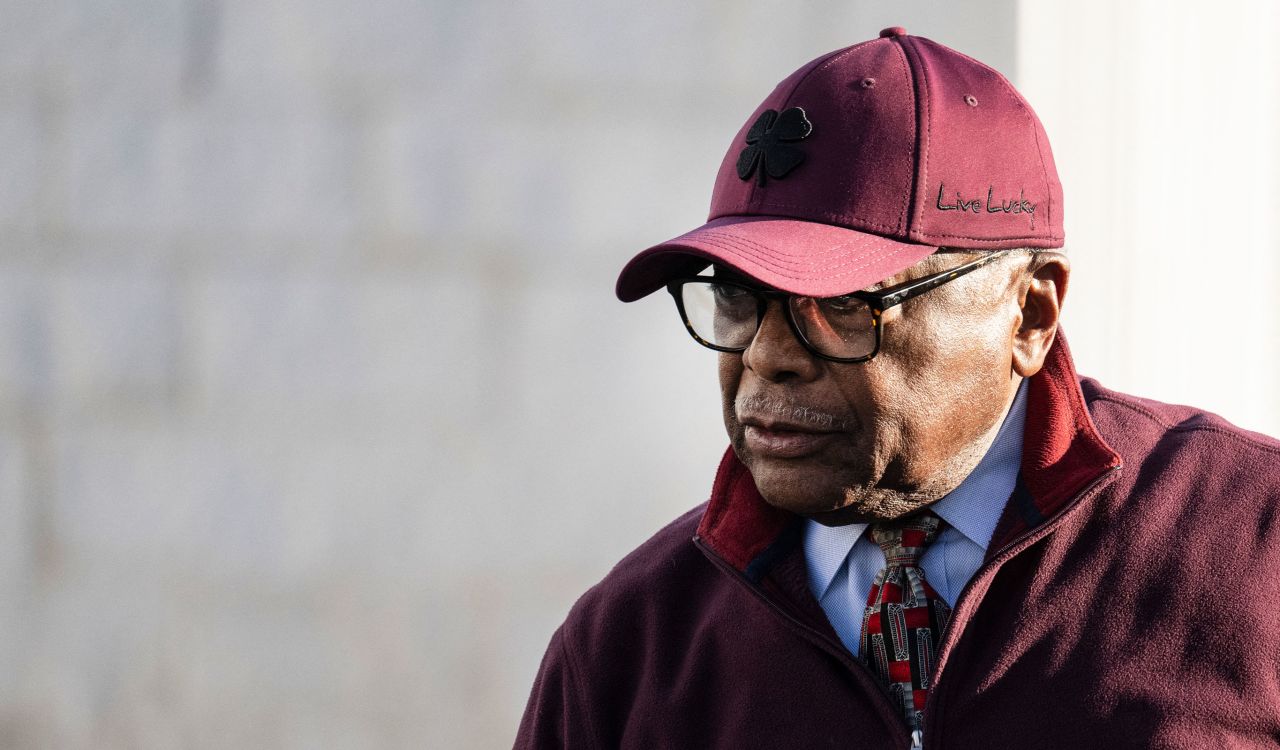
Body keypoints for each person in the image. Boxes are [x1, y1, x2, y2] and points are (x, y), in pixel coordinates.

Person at [515, 27, 1280, 749]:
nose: (769, 356)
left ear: (1030, 312)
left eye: (845, 303)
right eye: (740, 297)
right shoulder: (627, 649)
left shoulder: (1250, 544)